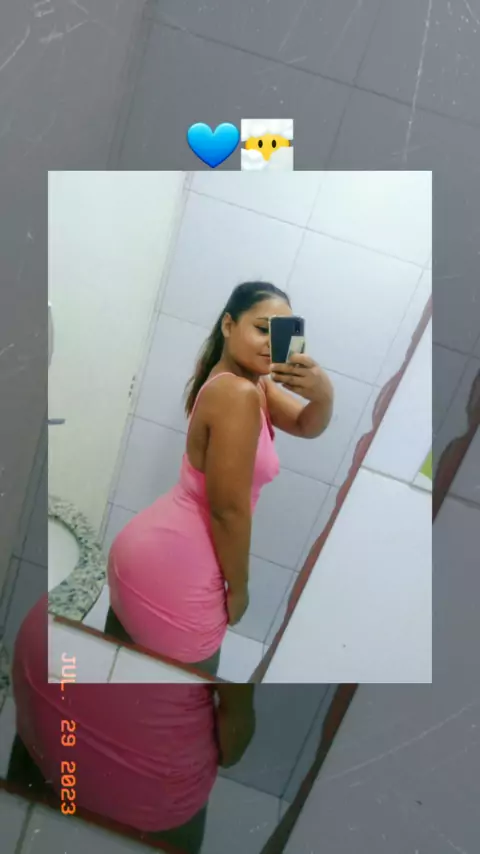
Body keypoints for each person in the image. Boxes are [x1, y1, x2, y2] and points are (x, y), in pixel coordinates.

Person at [105, 281, 334, 675]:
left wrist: (323, 394)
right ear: (229, 325)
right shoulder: (237, 395)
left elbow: (305, 424)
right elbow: (228, 511)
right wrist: (239, 589)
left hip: (154, 557)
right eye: (261, 329)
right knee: (182, 696)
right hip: (178, 572)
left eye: (281, 333)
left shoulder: (251, 385)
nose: (271, 343)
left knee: (110, 679)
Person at [8, 595, 256, 854]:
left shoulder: (92, 589)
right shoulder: (210, 639)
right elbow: (232, 749)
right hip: (149, 812)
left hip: (42, 752)